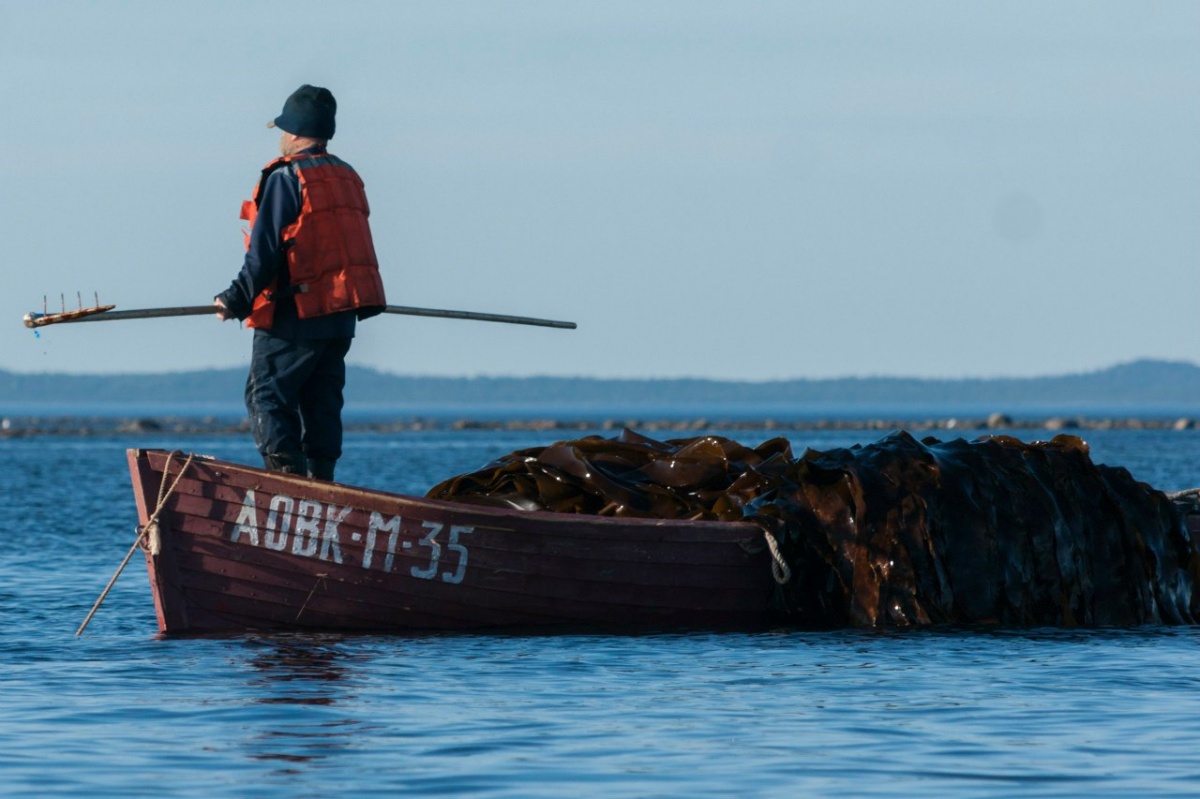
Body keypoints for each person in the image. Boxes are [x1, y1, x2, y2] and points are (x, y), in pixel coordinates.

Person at [215, 84, 386, 481]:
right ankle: (323, 483)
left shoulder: (287, 176)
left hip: (296, 313)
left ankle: (288, 486)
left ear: (292, 132)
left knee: (267, 397)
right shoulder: (347, 176)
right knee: (321, 401)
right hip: (341, 315)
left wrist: (234, 300)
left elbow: (264, 253)